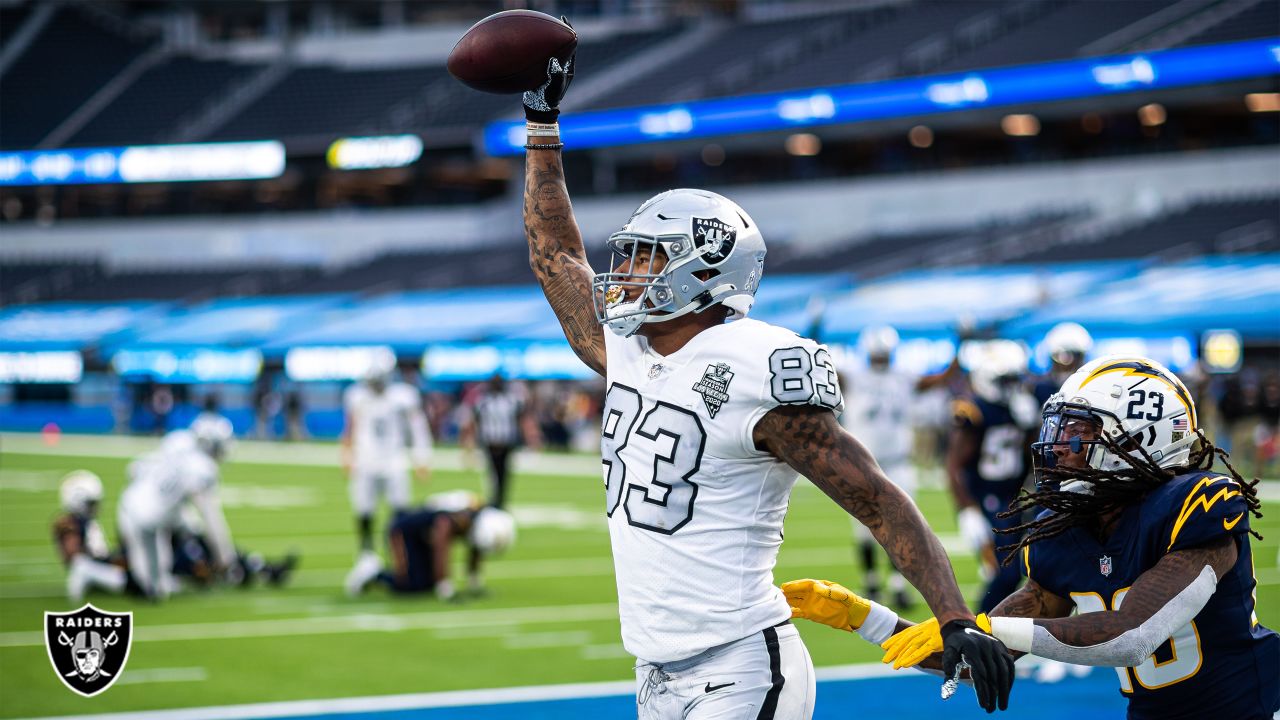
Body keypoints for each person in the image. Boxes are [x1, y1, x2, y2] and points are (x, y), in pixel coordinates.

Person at [517, 44, 1014, 718]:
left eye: (645, 258)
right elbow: (557, 256)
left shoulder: (758, 366)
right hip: (656, 670)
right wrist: (541, 126)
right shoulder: (629, 350)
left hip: (742, 664)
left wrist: (954, 617)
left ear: (702, 270)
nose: (624, 273)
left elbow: (874, 496)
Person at [787, 356, 1278, 720]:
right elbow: (969, 657)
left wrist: (988, 630)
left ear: (1140, 438)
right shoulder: (1067, 527)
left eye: (1078, 434)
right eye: (1058, 430)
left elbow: (1132, 635)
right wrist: (865, 618)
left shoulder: (1195, 505)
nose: (1057, 449)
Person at [838, 325, 961, 609]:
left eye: (883, 355)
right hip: (862, 463)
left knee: (901, 524)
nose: (880, 360)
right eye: (876, 355)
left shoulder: (903, 378)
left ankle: (897, 585)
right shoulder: (854, 376)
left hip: (897, 462)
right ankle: (870, 581)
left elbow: (943, 378)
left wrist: (960, 346)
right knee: (862, 527)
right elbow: (824, 369)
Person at [947, 339, 1040, 613]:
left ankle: (988, 628)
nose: (1012, 387)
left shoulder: (1019, 407)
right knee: (1004, 573)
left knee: (1014, 572)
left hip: (1011, 498)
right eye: (1005, 380)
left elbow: (1029, 456)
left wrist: (1031, 425)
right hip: (985, 498)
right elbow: (953, 464)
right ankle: (979, 626)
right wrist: (968, 510)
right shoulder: (975, 410)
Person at [117, 415, 237, 600]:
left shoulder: (178, 440)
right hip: (144, 517)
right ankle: (95, 574)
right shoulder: (203, 469)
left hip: (136, 503)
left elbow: (135, 468)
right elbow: (211, 518)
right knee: (153, 589)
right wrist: (225, 557)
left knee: (163, 571)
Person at [344, 490, 515, 600]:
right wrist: (444, 584)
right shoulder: (462, 517)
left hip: (424, 536)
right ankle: (372, 571)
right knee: (409, 584)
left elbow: (475, 547)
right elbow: (441, 541)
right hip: (404, 530)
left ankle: (381, 573)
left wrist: (473, 582)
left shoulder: (479, 515)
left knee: (425, 585)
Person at [340, 359, 432, 557]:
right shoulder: (356, 396)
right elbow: (350, 427)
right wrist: (346, 455)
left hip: (394, 459)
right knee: (364, 508)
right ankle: (366, 553)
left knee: (400, 509)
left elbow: (418, 429)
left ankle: (400, 553)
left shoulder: (403, 397)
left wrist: (421, 458)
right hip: (366, 459)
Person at [460, 372, 540, 509]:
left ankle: (500, 500)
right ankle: (495, 499)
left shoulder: (511, 401)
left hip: (506, 443)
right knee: (492, 473)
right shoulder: (483, 401)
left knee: (503, 473)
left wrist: (531, 438)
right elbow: (474, 421)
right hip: (490, 442)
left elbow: (521, 420)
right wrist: (468, 441)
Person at [53, 471, 127, 603]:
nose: (94, 507)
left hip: (97, 561)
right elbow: (74, 556)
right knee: (127, 580)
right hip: (89, 564)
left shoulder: (85, 521)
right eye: (90, 503)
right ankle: (89, 575)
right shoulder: (69, 523)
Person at [1032, 322, 1092, 407]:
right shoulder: (1041, 389)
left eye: (1074, 356)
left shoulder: (1089, 388)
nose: (1065, 362)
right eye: (1058, 357)